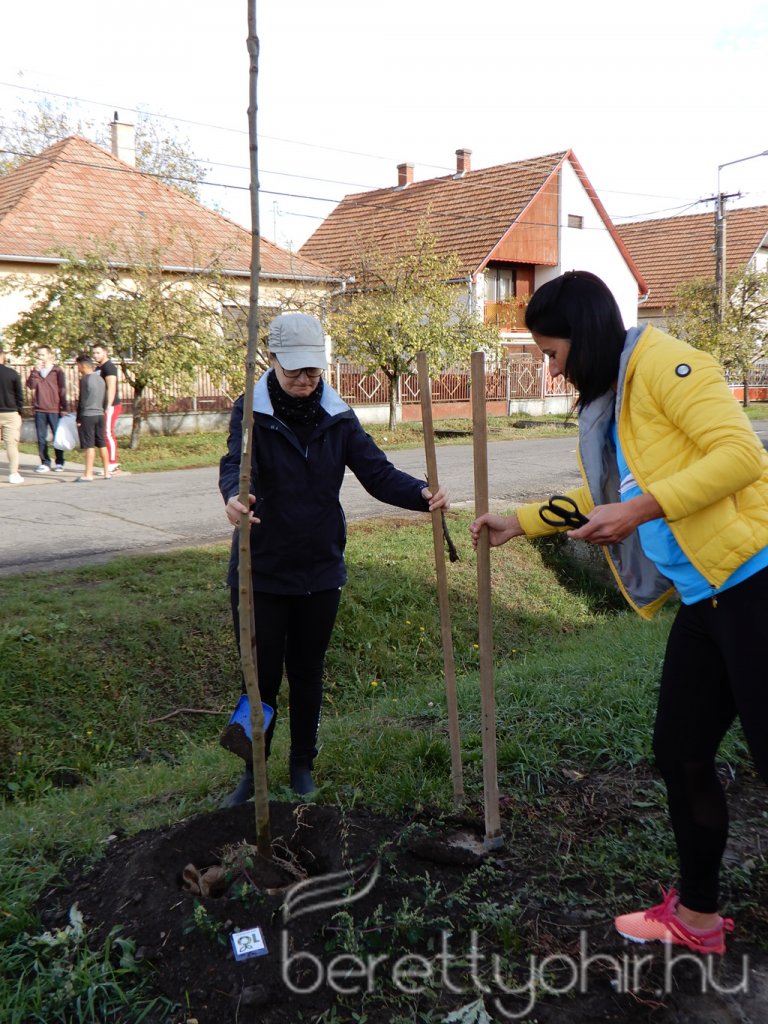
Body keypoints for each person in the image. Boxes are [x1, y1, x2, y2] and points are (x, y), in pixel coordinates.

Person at [471, 270, 768, 956]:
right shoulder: (619, 396)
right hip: (706, 600)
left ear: (588, 334)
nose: (551, 369)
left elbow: (741, 455)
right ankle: (697, 918)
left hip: (755, 587)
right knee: (680, 751)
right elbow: (611, 489)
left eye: (552, 352)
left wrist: (637, 511)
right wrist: (521, 522)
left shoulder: (666, 364)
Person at [219, 312, 448, 804]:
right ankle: (252, 774)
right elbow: (237, 466)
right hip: (260, 571)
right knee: (258, 679)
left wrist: (421, 492)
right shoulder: (250, 412)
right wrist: (235, 497)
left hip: (320, 569)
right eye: (295, 370)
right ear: (272, 360)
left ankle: (302, 763)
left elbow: (377, 473)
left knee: (307, 672)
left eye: (314, 371)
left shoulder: (338, 418)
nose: (305, 380)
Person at [26, 344, 68, 473]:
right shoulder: (37, 371)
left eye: (43, 354)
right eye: (39, 355)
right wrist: (35, 371)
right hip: (40, 409)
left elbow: (62, 389)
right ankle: (45, 462)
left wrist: (64, 407)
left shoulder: (57, 371)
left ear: (50, 355)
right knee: (41, 437)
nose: (41, 357)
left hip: (54, 409)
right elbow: (31, 386)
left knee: (57, 436)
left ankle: (59, 462)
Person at [74, 353, 110, 482]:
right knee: (102, 443)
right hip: (100, 414)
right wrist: (102, 409)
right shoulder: (100, 379)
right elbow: (105, 398)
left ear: (83, 366)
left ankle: (88, 474)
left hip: (88, 415)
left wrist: (78, 419)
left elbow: (82, 401)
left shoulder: (85, 380)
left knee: (89, 445)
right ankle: (107, 472)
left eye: (78, 365)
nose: (77, 368)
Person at [92, 343, 122, 475]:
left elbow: (111, 387)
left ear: (105, 352)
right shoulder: (99, 368)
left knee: (107, 433)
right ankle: (108, 463)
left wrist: (108, 406)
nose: (95, 355)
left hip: (111, 405)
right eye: (94, 353)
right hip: (100, 405)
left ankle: (113, 463)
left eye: (98, 353)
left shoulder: (109, 367)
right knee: (103, 433)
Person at [0, 346, 25, 485]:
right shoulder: (12, 373)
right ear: (2, 356)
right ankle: (13, 473)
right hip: (10, 412)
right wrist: (19, 410)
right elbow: (19, 395)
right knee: (11, 444)